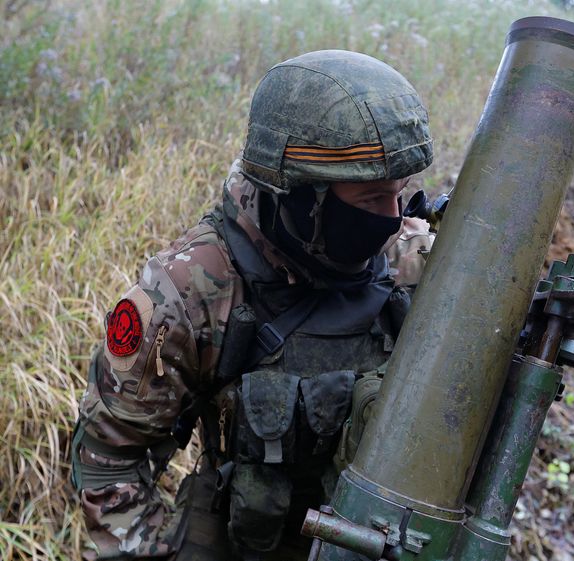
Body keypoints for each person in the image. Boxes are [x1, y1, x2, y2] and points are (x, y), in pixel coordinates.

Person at [71, 49, 434, 561]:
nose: (393, 219)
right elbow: (109, 458)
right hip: (251, 540)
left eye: (400, 195)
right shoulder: (188, 291)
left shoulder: (412, 257)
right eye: (372, 201)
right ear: (302, 198)